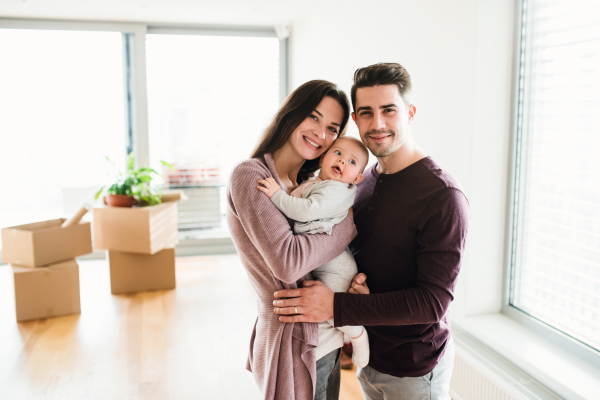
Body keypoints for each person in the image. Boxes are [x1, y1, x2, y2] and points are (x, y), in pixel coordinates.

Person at [272, 63, 470, 399]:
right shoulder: (356, 183)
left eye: (388, 110)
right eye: (366, 113)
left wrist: (337, 307)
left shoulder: (442, 196)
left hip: (415, 370)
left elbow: (433, 303)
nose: (376, 124)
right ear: (355, 119)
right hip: (367, 360)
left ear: (410, 112)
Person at [226, 80, 356, 400]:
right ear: (291, 114)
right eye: (313, 117)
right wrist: (347, 228)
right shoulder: (251, 175)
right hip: (294, 341)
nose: (319, 133)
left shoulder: (307, 186)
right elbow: (289, 262)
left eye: (332, 128)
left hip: (327, 338)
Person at [256, 136, 371, 369]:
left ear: (357, 179)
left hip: (336, 266)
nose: (342, 161)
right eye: (337, 153)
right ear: (324, 156)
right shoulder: (315, 182)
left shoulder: (338, 190)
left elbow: (307, 211)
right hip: (321, 259)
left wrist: (277, 195)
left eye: (351, 162)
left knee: (330, 310)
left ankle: (358, 336)